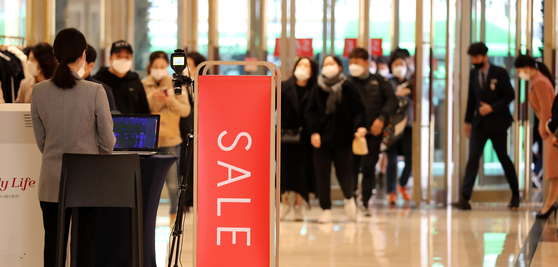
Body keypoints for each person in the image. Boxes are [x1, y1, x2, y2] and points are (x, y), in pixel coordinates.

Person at [31, 28, 116, 267]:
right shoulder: (95, 91)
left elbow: (42, 141)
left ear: (56, 55)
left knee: (53, 246)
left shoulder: (38, 91)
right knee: (84, 246)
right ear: (82, 55)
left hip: (51, 181)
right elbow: (107, 142)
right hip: (87, 181)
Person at [454, 42, 520, 210]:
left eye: (476, 57)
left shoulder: (500, 72)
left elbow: (510, 95)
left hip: (498, 124)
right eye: (472, 58)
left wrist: (492, 107)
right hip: (479, 124)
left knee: (503, 158)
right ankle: (465, 198)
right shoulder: (473, 74)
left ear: (484, 56)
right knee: (473, 159)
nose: (474, 61)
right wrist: (467, 121)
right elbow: (471, 99)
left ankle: (515, 194)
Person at [305, 55, 366, 223]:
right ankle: (325, 209)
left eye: (331, 64)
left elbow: (359, 110)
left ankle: (349, 198)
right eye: (325, 64)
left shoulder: (349, 87)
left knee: (344, 172)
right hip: (321, 139)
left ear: (339, 67)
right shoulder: (317, 88)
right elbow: (310, 112)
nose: (328, 67)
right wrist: (314, 132)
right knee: (322, 174)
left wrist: (360, 127)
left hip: (343, 138)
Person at [142, 51, 191, 226]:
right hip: (148, 141)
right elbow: (140, 109)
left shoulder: (176, 85)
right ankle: (146, 215)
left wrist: (169, 99)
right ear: (150, 67)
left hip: (171, 139)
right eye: (156, 66)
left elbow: (185, 111)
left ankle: (175, 214)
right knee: (146, 182)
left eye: (163, 66)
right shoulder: (143, 85)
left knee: (172, 183)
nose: (159, 70)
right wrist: (152, 98)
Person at [347, 48, 398, 214]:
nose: (353, 66)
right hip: (353, 134)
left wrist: (381, 118)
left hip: (374, 132)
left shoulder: (379, 81)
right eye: (351, 62)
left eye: (357, 62)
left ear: (366, 63)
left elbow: (392, 101)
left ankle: (365, 201)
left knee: (368, 167)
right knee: (352, 167)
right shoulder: (347, 82)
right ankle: (352, 200)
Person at [514, 55, 558, 218]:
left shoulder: (539, 81)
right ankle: (549, 204)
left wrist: (543, 128)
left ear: (527, 68)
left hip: (550, 129)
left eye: (519, 71)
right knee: (554, 171)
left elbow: (547, 109)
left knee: (555, 171)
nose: (520, 74)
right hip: (549, 128)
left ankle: (549, 205)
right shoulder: (538, 80)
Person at [279, 57, 319, 221]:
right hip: (285, 137)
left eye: (307, 66)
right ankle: (284, 202)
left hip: (306, 138)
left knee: (303, 172)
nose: (303, 68)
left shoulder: (316, 89)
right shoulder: (283, 87)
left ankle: (299, 205)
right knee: (285, 171)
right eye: (300, 65)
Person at [180, 51, 207, 210]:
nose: (187, 68)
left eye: (190, 65)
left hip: (203, 131)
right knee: (185, 166)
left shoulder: (205, 85)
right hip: (183, 132)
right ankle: (185, 200)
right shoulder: (180, 85)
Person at [386, 53, 414, 205]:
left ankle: (403, 184)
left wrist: (409, 93)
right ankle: (391, 191)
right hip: (392, 126)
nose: (399, 68)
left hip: (408, 126)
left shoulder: (413, 83)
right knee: (392, 160)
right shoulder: (388, 83)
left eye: (401, 64)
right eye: (395, 64)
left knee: (410, 159)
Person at [93, 40, 150, 114]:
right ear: (110, 58)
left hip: (133, 125)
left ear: (131, 59)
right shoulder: (98, 80)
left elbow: (144, 110)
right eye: (119, 56)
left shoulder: (135, 81)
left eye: (127, 57)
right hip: (105, 125)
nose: (123, 60)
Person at [79, 44, 117, 111]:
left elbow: (111, 116)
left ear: (90, 66)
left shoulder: (101, 89)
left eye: (79, 61)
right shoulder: (62, 86)